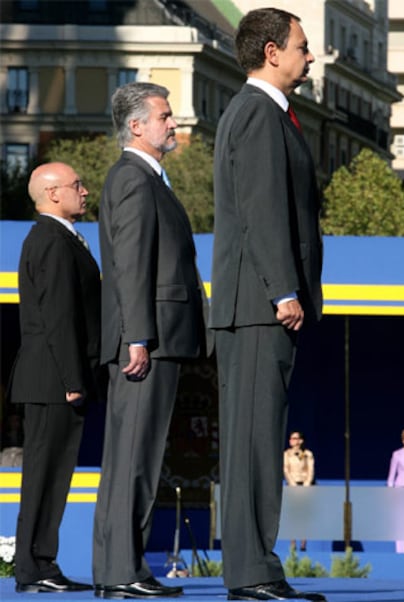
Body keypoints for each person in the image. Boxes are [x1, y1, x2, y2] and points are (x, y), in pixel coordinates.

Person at [209, 8, 324, 602]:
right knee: (254, 444)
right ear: (273, 51)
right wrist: (284, 290)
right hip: (258, 306)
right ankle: (251, 574)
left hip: (260, 305)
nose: (312, 57)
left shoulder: (267, 113)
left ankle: (258, 567)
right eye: (304, 47)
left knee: (259, 441)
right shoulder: (257, 113)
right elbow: (261, 211)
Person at [93, 82, 208, 599]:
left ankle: (116, 570)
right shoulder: (135, 179)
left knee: (132, 459)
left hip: (154, 339)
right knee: (136, 459)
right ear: (136, 125)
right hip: (148, 342)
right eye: (164, 115)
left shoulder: (143, 178)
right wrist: (137, 336)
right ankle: (123, 572)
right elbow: (131, 264)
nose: (173, 124)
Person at [8, 162, 101, 593]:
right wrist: (72, 379)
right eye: (76, 185)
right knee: (44, 475)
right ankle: (32, 567)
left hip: (56, 378)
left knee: (55, 474)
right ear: (52, 194)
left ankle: (42, 563)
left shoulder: (62, 238)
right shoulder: (50, 240)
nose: (85, 191)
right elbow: (59, 316)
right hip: (52, 381)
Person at [283, 431, 315, 552]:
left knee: (304, 516)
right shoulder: (286, 454)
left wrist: (306, 485)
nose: (292, 440)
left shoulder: (307, 454)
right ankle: (292, 543)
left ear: (301, 440)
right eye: (291, 438)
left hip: (305, 486)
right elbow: (286, 470)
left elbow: (310, 470)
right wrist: (293, 485)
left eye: (295, 438)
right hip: (292, 486)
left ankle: (303, 543)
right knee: (292, 516)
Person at [387, 426, 404, 554]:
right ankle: (401, 550)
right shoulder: (397, 454)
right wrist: (390, 492)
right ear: (403, 440)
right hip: (401, 487)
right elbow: (392, 474)